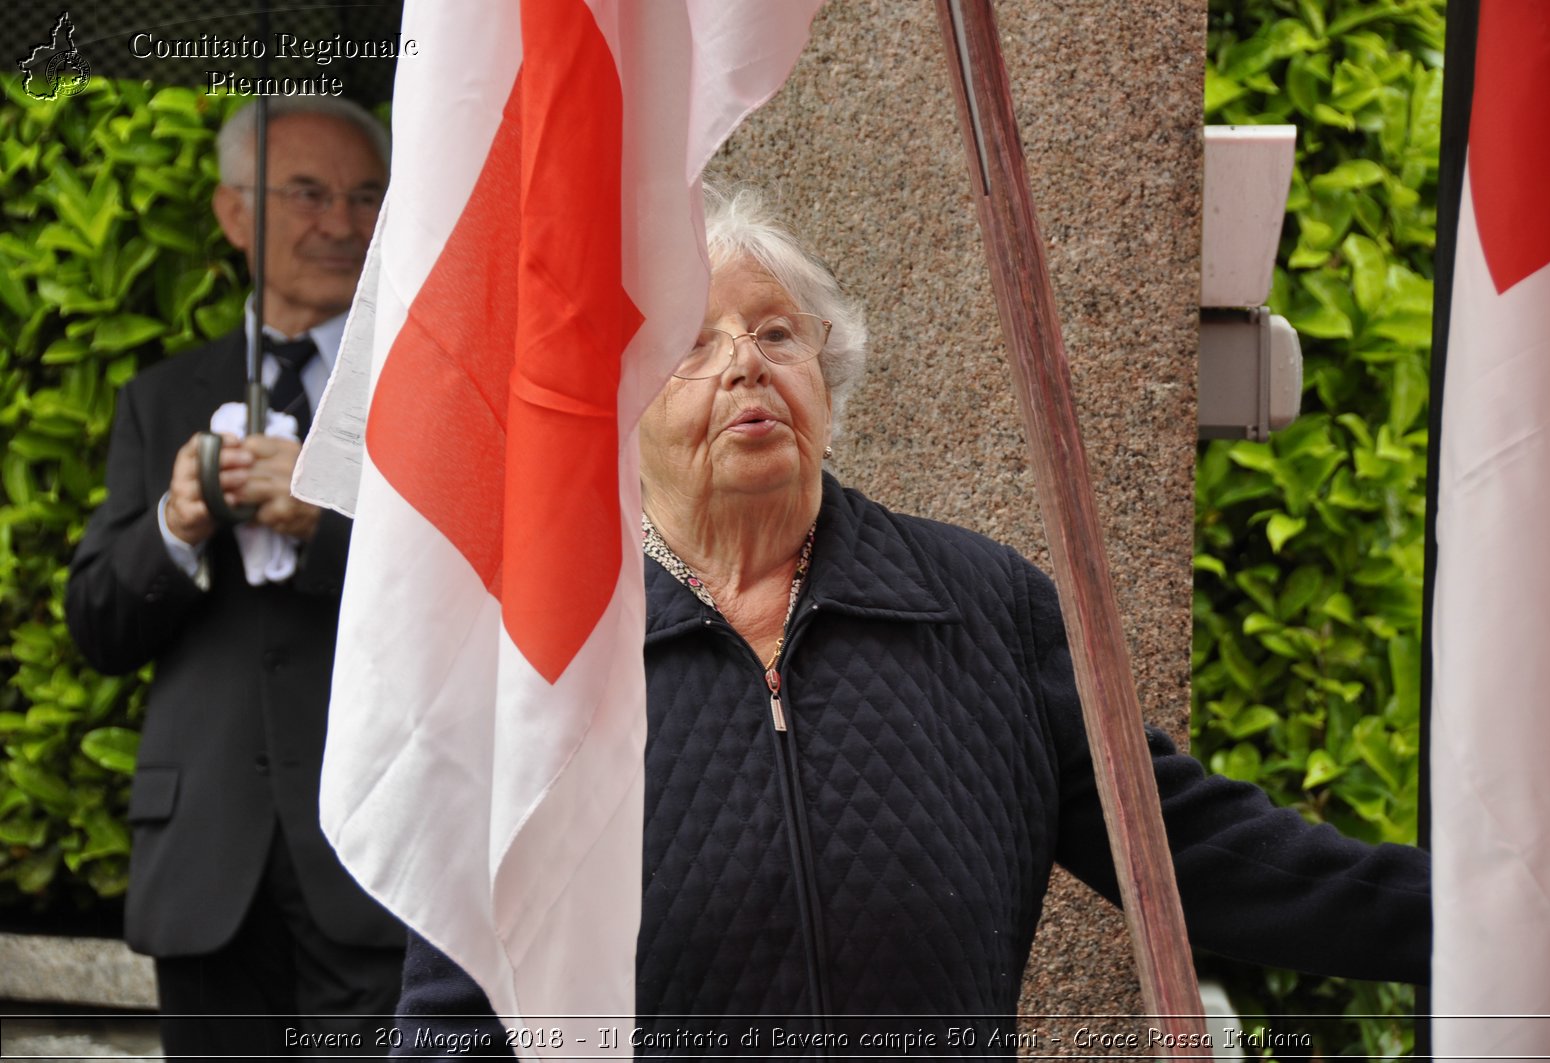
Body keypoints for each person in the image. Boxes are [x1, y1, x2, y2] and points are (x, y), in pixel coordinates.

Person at [389, 186, 1431, 1058]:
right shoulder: (544, 655)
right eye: (689, 344)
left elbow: (1195, 851)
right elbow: (453, 1010)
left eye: (776, 332)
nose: (745, 363)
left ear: (826, 377)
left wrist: (1486, 917)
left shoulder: (980, 605)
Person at [66, 97, 405, 1057]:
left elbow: (473, 592)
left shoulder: (422, 389)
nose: (342, 222)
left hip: (376, 843)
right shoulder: (160, 394)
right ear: (232, 214)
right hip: (207, 860)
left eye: (366, 196)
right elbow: (96, 624)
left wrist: (322, 523)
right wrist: (178, 522)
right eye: (307, 192)